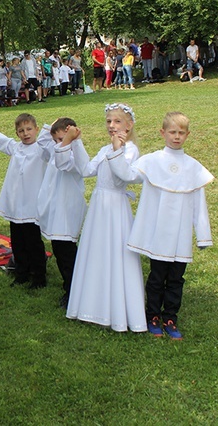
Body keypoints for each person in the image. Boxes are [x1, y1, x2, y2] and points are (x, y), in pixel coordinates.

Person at [108, 111, 213, 340]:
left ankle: (170, 318)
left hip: (180, 234)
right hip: (158, 232)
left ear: (187, 135)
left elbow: (199, 204)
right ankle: (153, 315)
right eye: (172, 132)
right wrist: (117, 149)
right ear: (162, 133)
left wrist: (203, 236)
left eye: (181, 133)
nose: (176, 137)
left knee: (176, 278)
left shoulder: (194, 168)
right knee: (156, 277)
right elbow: (126, 174)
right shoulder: (152, 161)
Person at [65, 103, 147, 333]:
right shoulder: (104, 149)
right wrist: (77, 142)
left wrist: (117, 149)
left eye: (117, 121)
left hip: (115, 208)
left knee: (116, 254)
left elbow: (124, 176)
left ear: (129, 125)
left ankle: (116, 311)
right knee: (96, 252)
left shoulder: (130, 150)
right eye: (109, 121)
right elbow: (86, 170)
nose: (112, 126)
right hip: (99, 207)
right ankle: (92, 305)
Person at [0, 113, 51, 287]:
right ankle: (21, 272)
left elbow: (49, 143)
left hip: (32, 206)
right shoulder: (15, 147)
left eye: (29, 129)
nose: (26, 133)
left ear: (36, 130)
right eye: (21, 131)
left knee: (34, 242)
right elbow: (2, 141)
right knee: (18, 241)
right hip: (15, 205)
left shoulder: (41, 150)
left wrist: (50, 127)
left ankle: (39, 276)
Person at [37, 118, 88, 308]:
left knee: (67, 254)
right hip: (55, 209)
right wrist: (54, 123)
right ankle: (70, 286)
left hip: (67, 211)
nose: (59, 143)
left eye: (63, 138)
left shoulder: (74, 156)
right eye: (57, 139)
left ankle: (73, 290)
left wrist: (69, 140)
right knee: (59, 251)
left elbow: (63, 162)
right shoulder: (56, 149)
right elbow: (43, 141)